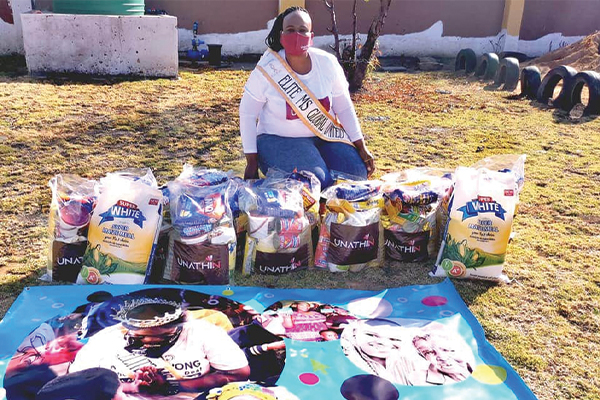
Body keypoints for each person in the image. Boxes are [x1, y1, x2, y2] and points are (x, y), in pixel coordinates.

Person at [239, 6, 375, 188]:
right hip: (278, 139)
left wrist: (361, 146)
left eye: (302, 30)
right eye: (290, 30)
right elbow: (247, 114)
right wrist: (251, 161)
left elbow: (343, 108)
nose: (296, 35)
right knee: (314, 183)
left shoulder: (327, 63)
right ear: (281, 35)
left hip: (325, 136)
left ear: (311, 36)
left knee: (356, 175)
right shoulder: (268, 69)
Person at [69, 298, 250, 396]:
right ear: (125, 327)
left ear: (181, 326)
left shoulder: (203, 332)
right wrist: (131, 387)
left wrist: (173, 386)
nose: (150, 341)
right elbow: (78, 384)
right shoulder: (104, 340)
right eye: (140, 336)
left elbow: (239, 374)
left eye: (164, 336)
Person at [341, 319, 427, 386]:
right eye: (370, 335)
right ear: (354, 333)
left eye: (394, 339)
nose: (383, 342)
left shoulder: (410, 361)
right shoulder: (346, 357)